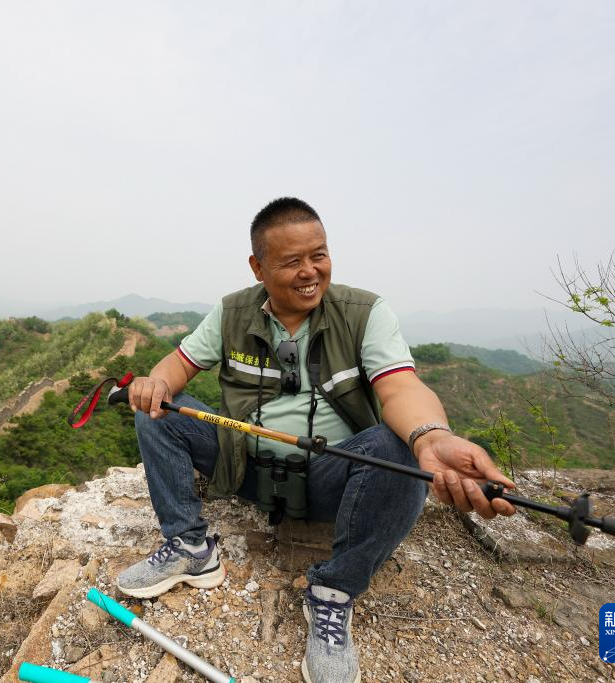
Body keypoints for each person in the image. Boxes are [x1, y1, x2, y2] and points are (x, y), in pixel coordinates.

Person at [116, 197, 517, 682]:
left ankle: (333, 592)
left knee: (397, 447)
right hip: (243, 467)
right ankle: (190, 548)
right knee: (156, 411)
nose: (310, 272)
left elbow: (400, 387)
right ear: (258, 267)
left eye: (319, 255)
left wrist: (429, 437)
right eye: (292, 261)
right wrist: (156, 383)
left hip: (332, 479)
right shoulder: (232, 312)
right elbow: (178, 365)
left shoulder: (364, 312)